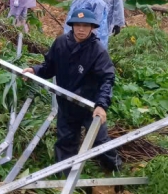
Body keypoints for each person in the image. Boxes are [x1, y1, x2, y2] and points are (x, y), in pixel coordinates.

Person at [24, 9, 121, 172]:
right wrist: (35, 70)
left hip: (89, 106)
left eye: (85, 25)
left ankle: (116, 170)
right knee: (65, 141)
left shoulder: (97, 51)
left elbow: (107, 79)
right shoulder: (61, 43)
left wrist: (101, 105)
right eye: (77, 25)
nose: (81, 29)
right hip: (67, 103)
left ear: (92, 28)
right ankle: (63, 176)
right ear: (72, 26)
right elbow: (49, 68)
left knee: (99, 141)